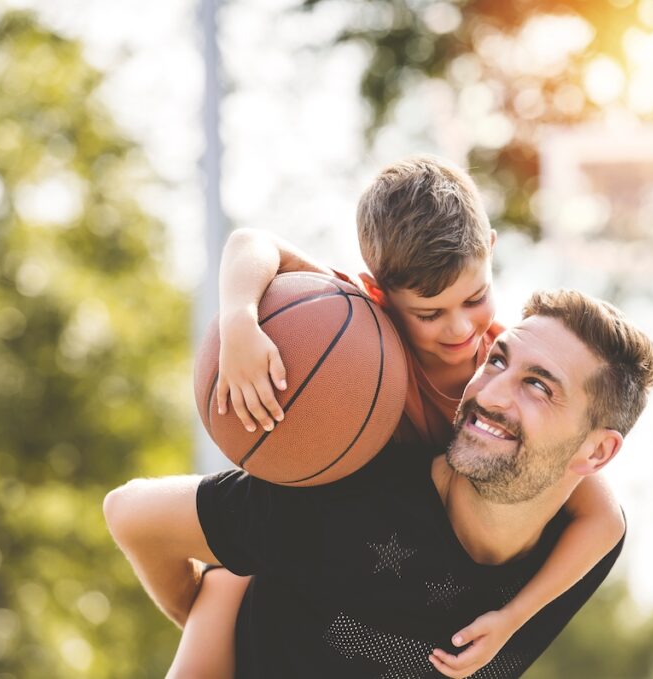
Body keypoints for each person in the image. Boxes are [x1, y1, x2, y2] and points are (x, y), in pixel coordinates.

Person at [172, 156, 625, 677]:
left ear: (490, 249)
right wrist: (239, 321)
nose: (460, 329)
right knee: (229, 578)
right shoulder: (355, 338)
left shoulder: (502, 377)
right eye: (430, 314)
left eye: (475, 298)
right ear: (379, 293)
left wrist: (513, 619)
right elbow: (251, 243)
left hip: (390, 571)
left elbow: (605, 520)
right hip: (303, 541)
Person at [104, 288, 653, 678]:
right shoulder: (341, 498)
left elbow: (605, 517)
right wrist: (201, 612)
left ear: (597, 452)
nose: (489, 394)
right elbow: (129, 512)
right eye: (496, 361)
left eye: (538, 386)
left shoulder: (578, 549)